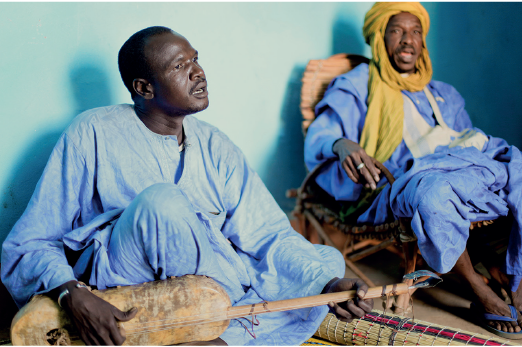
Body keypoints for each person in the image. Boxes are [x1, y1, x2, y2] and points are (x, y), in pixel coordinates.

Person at [1, 27, 373, 346]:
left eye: (196, 59)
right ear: (144, 87)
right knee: (162, 203)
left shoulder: (216, 144)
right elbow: (28, 243)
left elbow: (269, 234)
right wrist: (72, 293)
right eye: (180, 66)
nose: (198, 72)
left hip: (217, 285)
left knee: (324, 264)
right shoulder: (92, 132)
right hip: (129, 283)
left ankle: (221, 340)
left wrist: (324, 282)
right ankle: (237, 326)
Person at [304, 1, 522, 339]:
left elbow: (468, 145)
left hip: (466, 171)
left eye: (416, 31)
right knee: (432, 193)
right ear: (380, 37)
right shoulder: (359, 84)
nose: (408, 39)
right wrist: (341, 144)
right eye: (397, 31)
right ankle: (481, 291)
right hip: (402, 181)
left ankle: (517, 279)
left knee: (518, 164)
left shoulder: (443, 93)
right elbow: (323, 132)